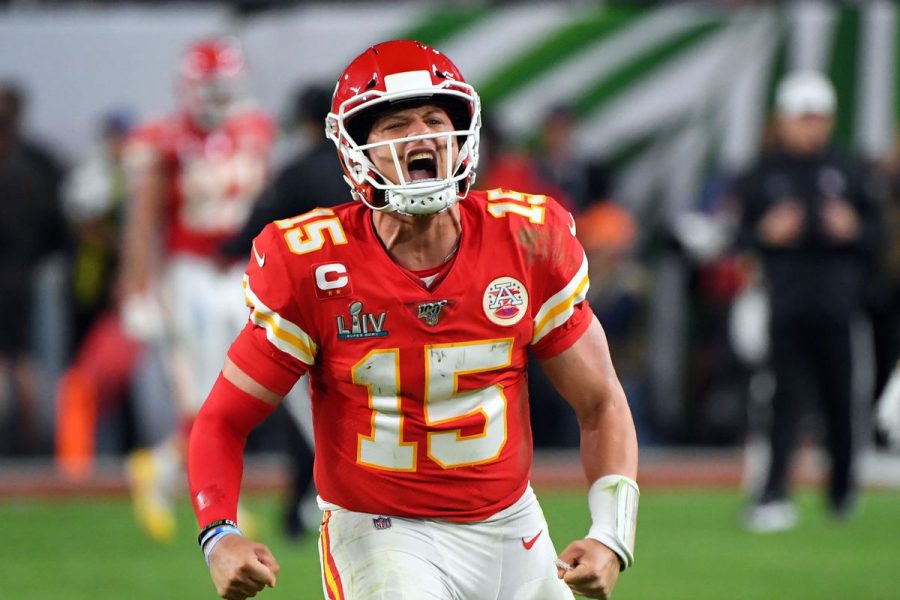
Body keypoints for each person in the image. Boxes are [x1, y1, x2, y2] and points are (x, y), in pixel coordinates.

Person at [187, 40, 638, 600]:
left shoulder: (525, 240)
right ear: (357, 149)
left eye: (433, 119)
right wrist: (219, 533)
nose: (420, 136)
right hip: (380, 529)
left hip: (512, 527)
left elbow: (601, 402)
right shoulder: (312, 264)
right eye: (396, 126)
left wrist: (611, 534)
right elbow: (222, 420)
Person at [119, 37, 275, 542]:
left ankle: (159, 471)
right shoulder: (162, 140)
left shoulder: (255, 129)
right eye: (211, 87)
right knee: (205, 394)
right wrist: (136, 287)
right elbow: (144, 220)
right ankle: (218, 500)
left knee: (244, 386)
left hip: (240, 271)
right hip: (189, 273)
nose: (218, 97)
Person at [731, 70, 883, 532]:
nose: (810, 126)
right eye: (802, 117)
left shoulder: (851, 170)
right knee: (784, 401)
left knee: (842, 398)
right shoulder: (764, 173)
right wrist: (764, 233)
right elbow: (739, 236)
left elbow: (878, 235)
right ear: (783, 120)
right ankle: (775, 491)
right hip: (786, 303)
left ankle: (841, 492)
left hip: (838, 304)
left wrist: (854, 229)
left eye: (818, 118)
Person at [219, 83, 348, 541]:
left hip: (310, 311)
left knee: (308, 411)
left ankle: (313, 506)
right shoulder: (365, 171)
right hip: (373, 307)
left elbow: (250, 234)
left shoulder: (295, 173)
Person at [0, 81, 66, 455]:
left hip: (17, 274)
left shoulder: (29, 165)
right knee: (26, 363)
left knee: (17, 364)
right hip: (29, 273)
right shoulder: (39, 164)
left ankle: (19, 446)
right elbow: (58, 224)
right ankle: (30, 443)